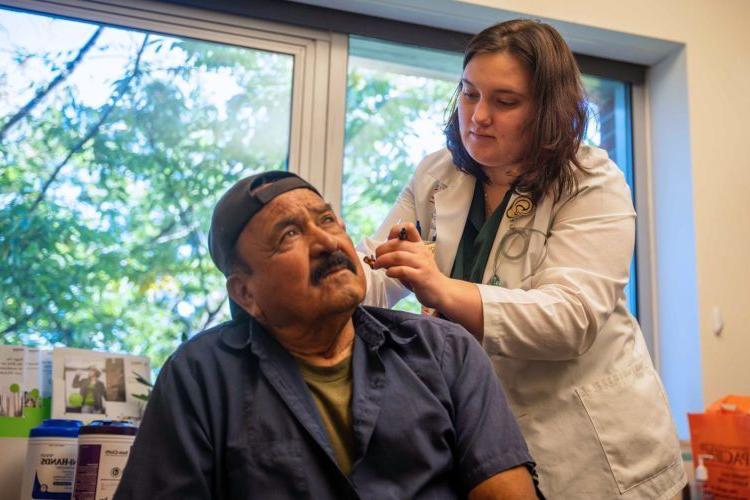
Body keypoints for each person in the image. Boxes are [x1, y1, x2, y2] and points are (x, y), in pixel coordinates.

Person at [361, 19, 687, 498]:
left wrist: (440, 288)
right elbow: (376, 268)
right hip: (490, 447)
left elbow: (570, 319)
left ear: (548, 111)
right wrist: (324, 271)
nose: (478, 116)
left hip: (596, 456)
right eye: (470, 94)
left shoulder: (591, 180)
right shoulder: (438, 173)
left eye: (505, 101)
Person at [115, 171, 539, 499]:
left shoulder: (444, 351)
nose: (325, 241)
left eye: (328, 220)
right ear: (246, 293)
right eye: (289, 235)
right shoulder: (199, 377)